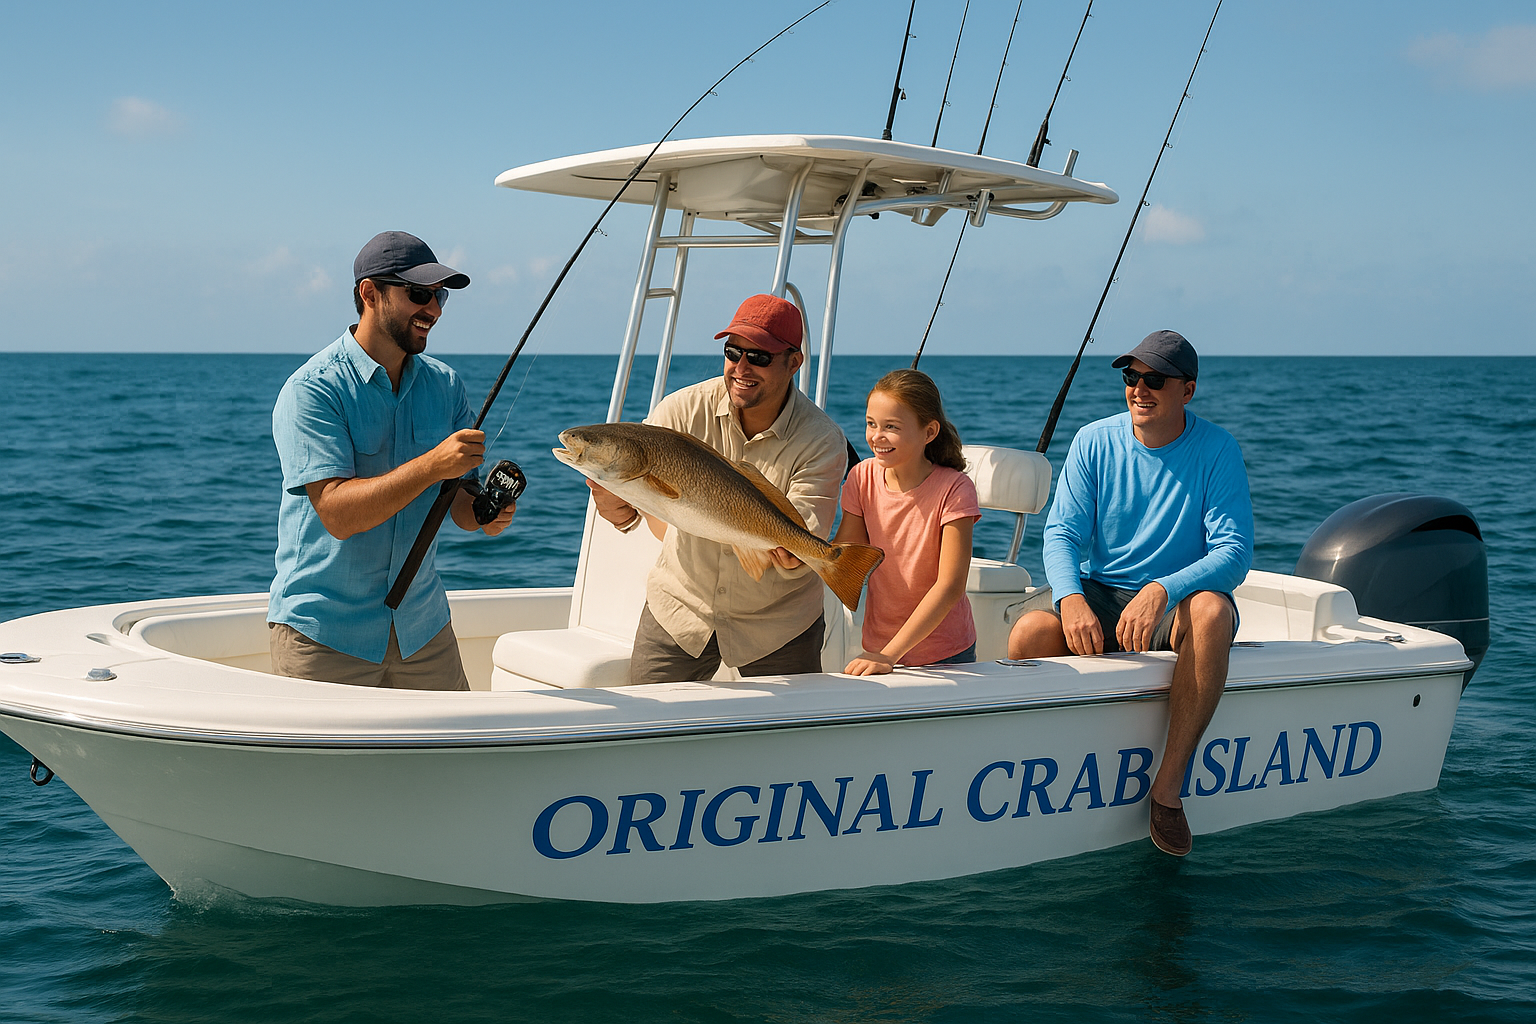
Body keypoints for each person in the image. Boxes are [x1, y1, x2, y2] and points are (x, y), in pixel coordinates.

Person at [1007, 330, 1253, 857]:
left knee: (1211, 611)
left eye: (1155, 380)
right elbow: (1062, 533)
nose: (1140, 389)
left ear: (1187, 390)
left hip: (1171, 606)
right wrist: (1070, 598)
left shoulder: (1217, 449)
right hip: (1102, 594)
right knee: (1030, 631)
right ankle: (1040, 783)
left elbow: (1233, 553)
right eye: (1131, 377)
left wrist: (1165, 588)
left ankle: (1167, 789)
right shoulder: (1094, 439)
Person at [267, 231, 516, 690]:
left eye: (439, 295)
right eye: (419, 294)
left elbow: (458, 504)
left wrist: (485, 513)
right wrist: (430, 466)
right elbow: (339, 515)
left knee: (456, 761)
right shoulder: (312, 390)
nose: (435, 309)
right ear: (369, 293)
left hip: (424, 630)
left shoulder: (446, 386)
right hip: (325, 638)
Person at [588, 293, 847, 684]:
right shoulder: (678, 411)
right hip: (681, 608)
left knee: (784, 743)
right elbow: (652, 510)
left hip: (777, 622)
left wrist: (800, 555)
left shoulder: (823, 439)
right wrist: (621, 512)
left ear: (794, 362)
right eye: (732, 352)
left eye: (759, 357)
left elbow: (804, 532)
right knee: (646, 727)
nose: (741, 367)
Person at [834, 369, 980, 675]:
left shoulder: (955, 489)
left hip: (945, 654)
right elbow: (845, 557)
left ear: (929, 432)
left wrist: (889, 656)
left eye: (892, 427)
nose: (876, 436)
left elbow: (950, 586)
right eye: (871, 424)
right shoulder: (861, 478)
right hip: (878, 649)